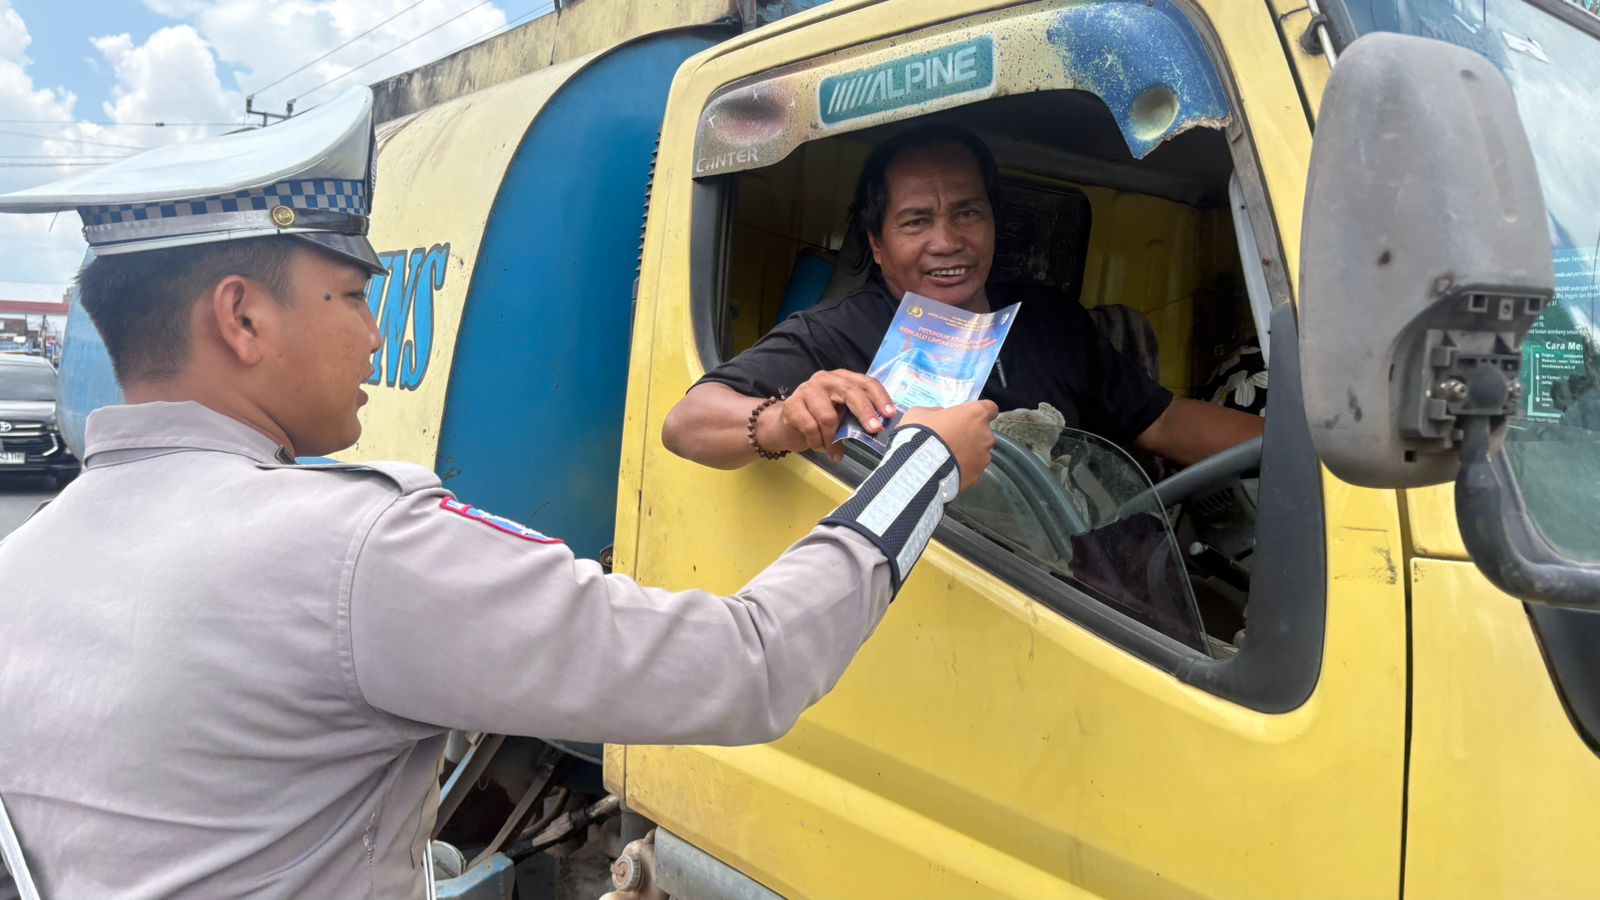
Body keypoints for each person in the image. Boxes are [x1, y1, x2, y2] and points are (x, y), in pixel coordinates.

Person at [0, 87, 997, 899]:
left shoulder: (27, 562)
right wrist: (920, 467)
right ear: (242, 319)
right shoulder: (351, 551)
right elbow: (745, 667)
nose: (376, 335)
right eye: (353, 296)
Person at [662, 123, 1263, 470]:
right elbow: (686, 424)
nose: (946, 242)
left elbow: (1163, 421)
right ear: (876, 244)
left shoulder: (1048, 318)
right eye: (916, 221)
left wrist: (1309, 457)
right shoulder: (836, 332)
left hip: (1077, 586)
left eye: (967, 213)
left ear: (993, 222)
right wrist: (782, 421)